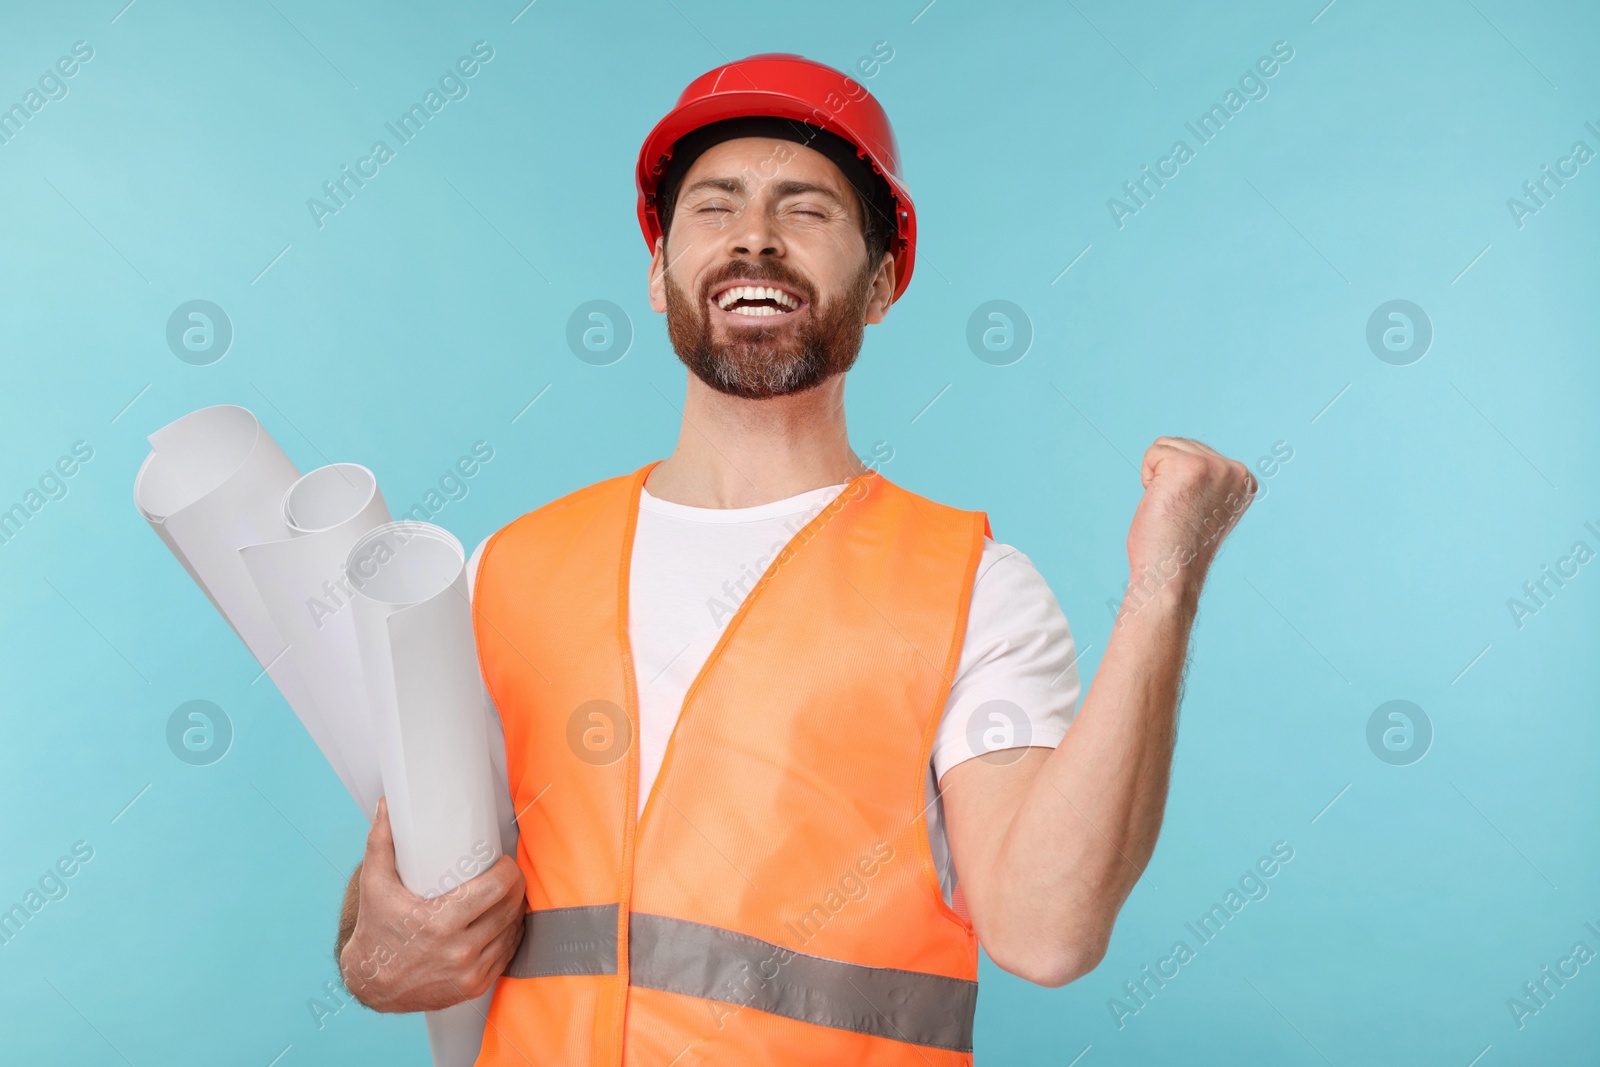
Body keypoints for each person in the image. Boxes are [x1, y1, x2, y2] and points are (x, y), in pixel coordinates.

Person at [333, 53, 1255, 1065]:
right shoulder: (509, 567)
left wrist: (1163, 586)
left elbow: (1046, 930)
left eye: (805, 209)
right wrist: (375, 951)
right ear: (658, 272)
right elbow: (406, 897)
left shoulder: (968, 589)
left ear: (882, 282)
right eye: (713, 206)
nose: (754, 237)